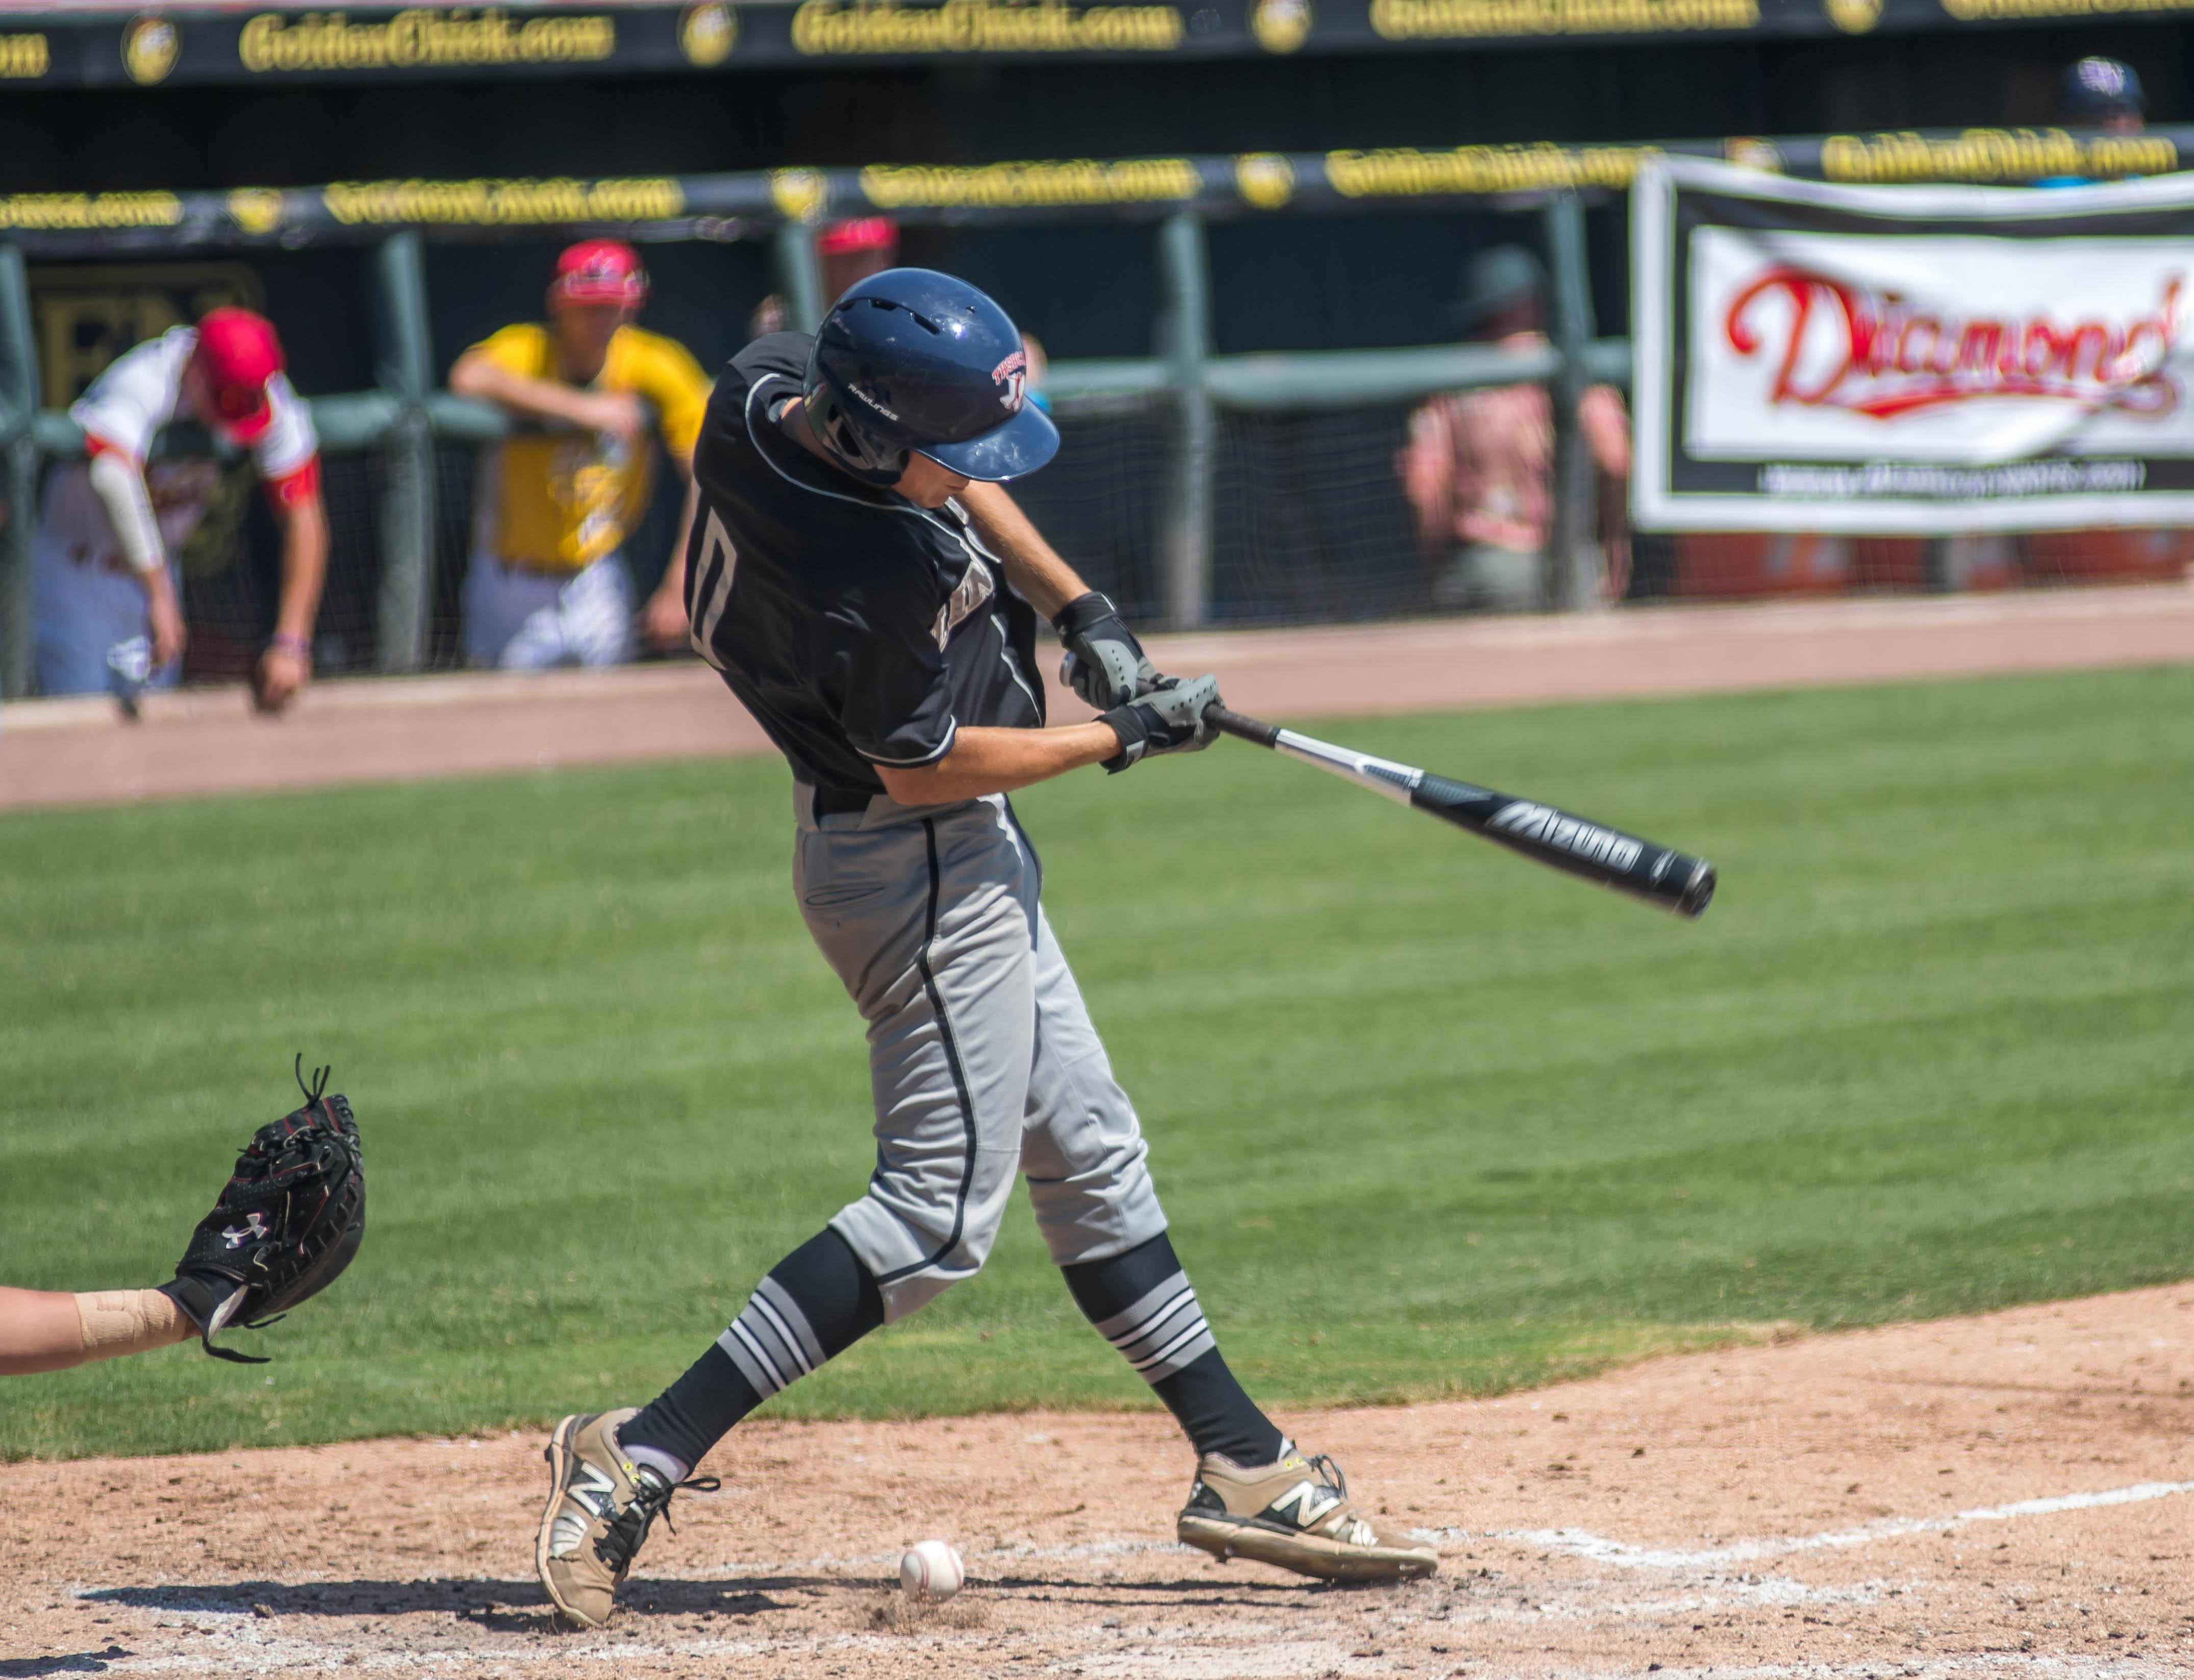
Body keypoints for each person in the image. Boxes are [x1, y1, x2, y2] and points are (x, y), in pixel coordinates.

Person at [531, 268, 1436, 1631]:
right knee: (938, 1218)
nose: (968, 473)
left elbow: (955, 476)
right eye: (949, 451)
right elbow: (927, 767)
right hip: (920, 860)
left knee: (1083, 1139)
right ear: (881, 435)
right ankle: (640, 1448)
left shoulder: (764, 391)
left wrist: (1086, 614)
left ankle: (1245, 1465)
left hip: (919, 846)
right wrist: (1116, 733)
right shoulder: (868, 576)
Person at [33, 307, 327, 710]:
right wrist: (159, 594)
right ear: (196, 372)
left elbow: (303, 512)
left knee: (152, 732)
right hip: (77, 571)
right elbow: (112, 475)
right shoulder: (144, 379)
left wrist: (291, 642)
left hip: (157, 569)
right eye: (222, 401)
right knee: (79, 725)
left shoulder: (265, 392)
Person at [449, 240, 712, 666]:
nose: (600, 320)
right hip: (511, 577)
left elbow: (710, 474)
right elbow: (468, 376)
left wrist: (682, 584)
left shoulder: (653, 360)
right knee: (505, 722)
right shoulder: (530, 348)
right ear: (559, 306)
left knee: (612, 717)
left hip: (597, 575)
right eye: (586, 306)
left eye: (611, 306)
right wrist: (581, 408)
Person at [1397, 246, 1631, 612]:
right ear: (1533, 304)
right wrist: (1615, 542)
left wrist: (1436, 564)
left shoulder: (1455, 378)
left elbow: (1423, 487)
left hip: (1490, 568)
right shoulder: (1576, 366)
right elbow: (1616, 459)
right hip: (1574, 562)